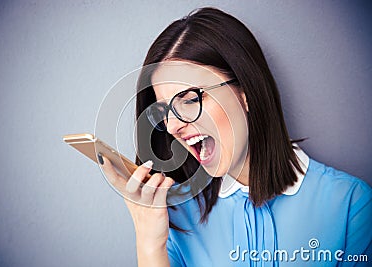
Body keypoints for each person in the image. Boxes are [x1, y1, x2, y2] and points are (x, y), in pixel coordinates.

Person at [98, 7, 372, 267]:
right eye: (164, 110)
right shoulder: (178, 218)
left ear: (245, 94)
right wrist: (148, 242)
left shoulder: (350, 205)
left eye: (190, 100)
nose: (171, 127)